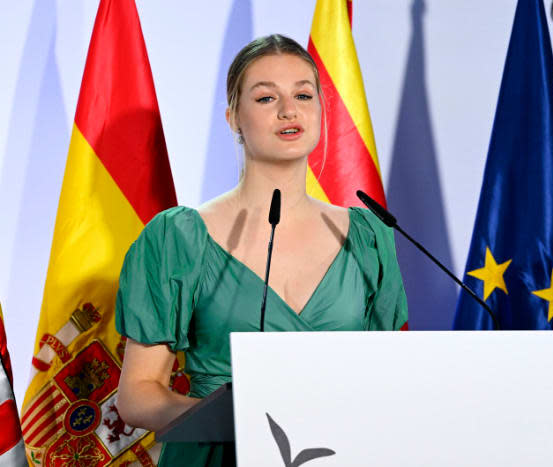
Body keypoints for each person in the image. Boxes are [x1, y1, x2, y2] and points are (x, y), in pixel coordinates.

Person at [115, 34, 408, 466]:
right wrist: (239, 419)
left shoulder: (369, 236)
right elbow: (137, 396)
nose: (289, 110)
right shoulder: (177, 237)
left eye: (304, 95)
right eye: (267, 98)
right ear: (234, 118)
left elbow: (389, 377)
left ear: (321, 112)